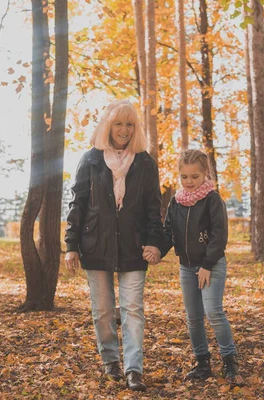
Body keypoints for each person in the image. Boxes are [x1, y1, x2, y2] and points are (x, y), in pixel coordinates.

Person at [64, 99, 162, 392]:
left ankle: (134, 370)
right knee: (103, 311)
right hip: (96, 246)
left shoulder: (145, 162)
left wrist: (154, 243)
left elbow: (153, 209)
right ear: (108, 126)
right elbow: (77, 204)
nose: (124, 130)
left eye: (129, 124)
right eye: (118, 123)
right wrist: (71, 244)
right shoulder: (91, 160)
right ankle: (111, 362)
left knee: (133, 309)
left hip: (133, 247)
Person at [145, 149, 242, 384]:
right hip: (187, 267)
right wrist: (158, 250)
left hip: (211, 265)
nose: (189, 182)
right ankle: (202, 362)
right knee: (193, 317)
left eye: (194, 177)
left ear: (205, 174)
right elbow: (169, 234)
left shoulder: (212, 199)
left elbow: (219, 236)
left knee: (213, 312)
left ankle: (230, 361)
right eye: (184, 177)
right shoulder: (176, 203)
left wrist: (207, 265)